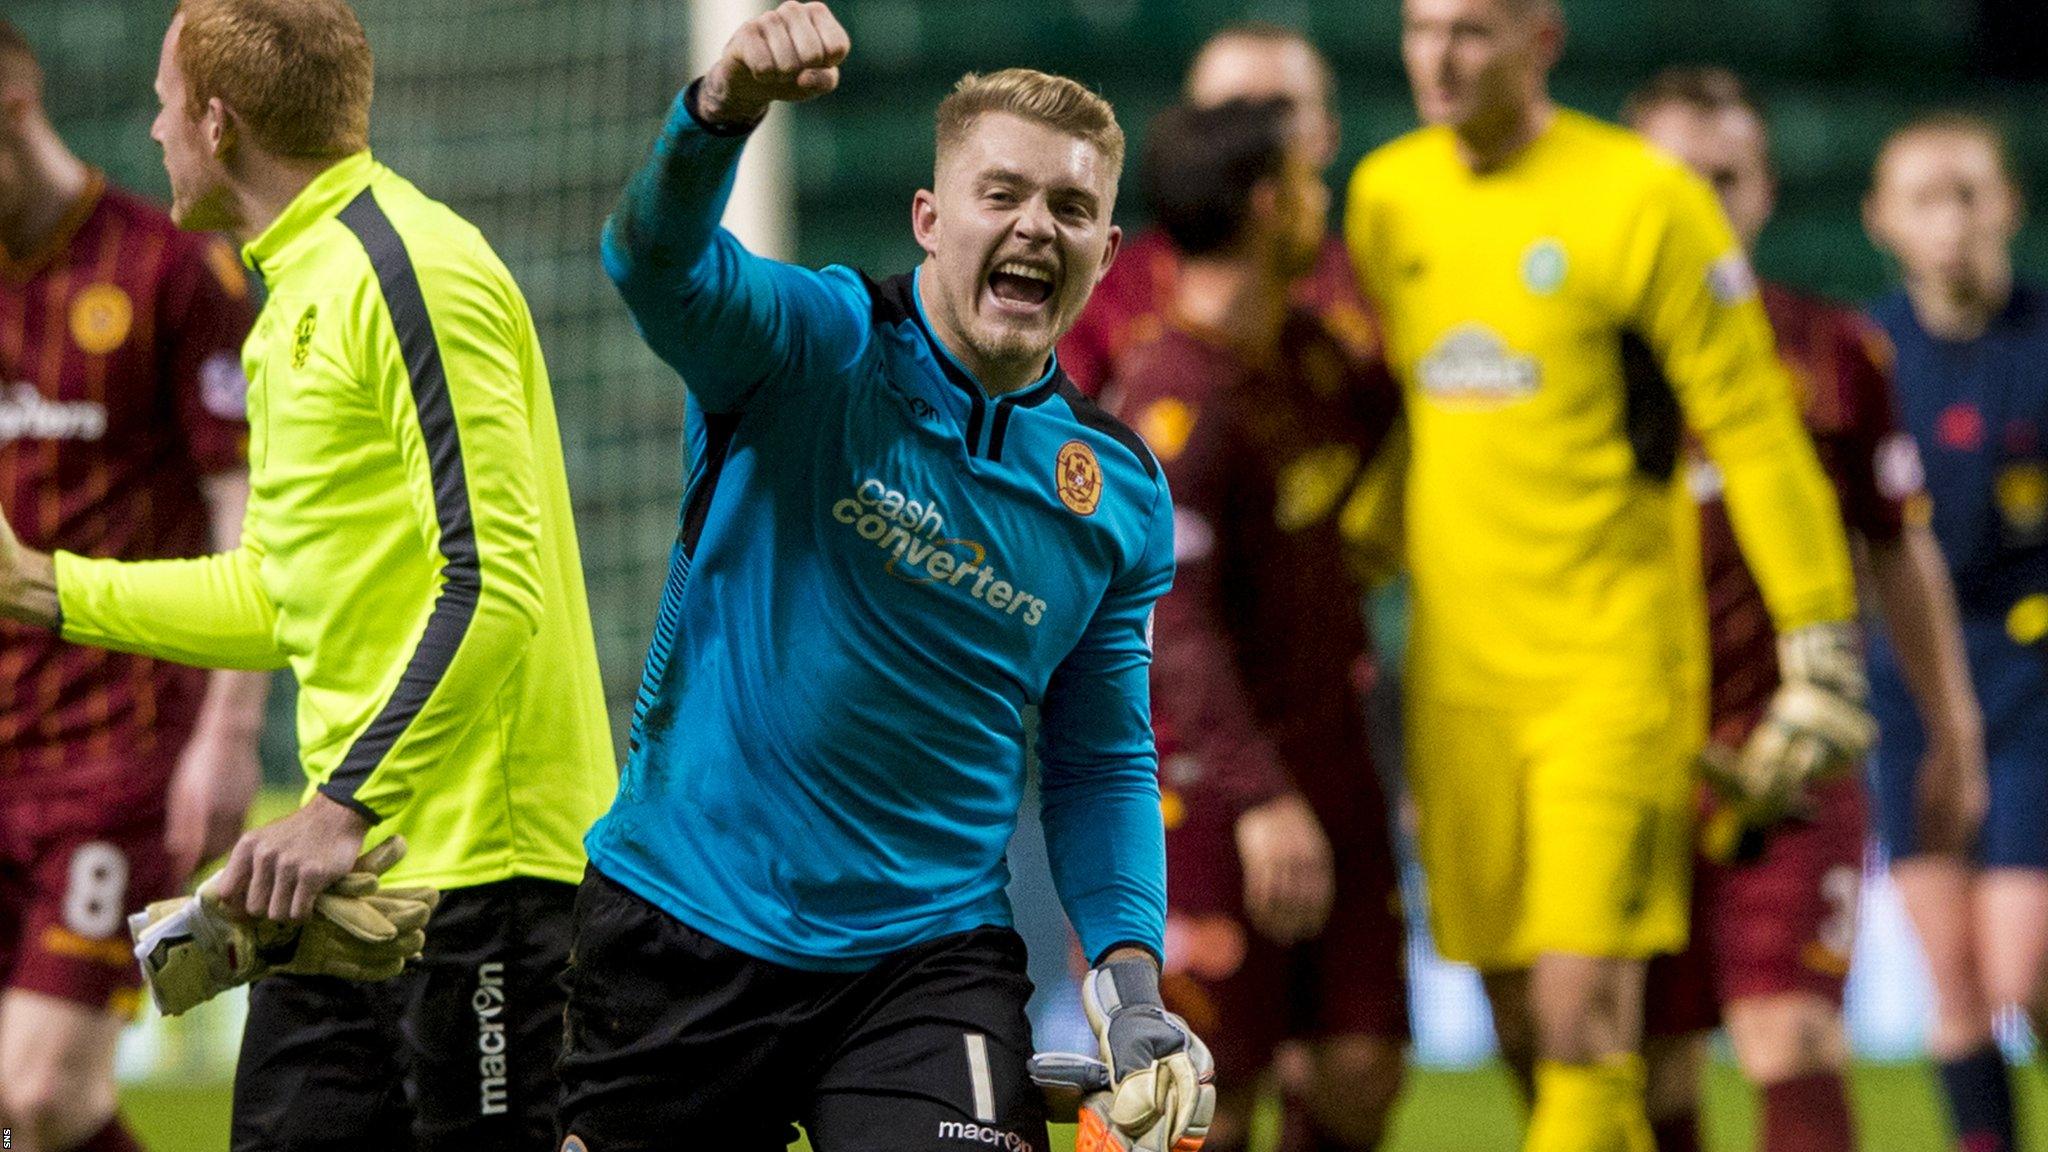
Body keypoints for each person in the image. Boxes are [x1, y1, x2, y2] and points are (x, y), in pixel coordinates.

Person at [563, 4, 1210, 1151]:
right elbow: (649, 262)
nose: (1032, 227)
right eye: (998, 193)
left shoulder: (1115, 494)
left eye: (1069, 207)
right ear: (927, 217)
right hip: (684, 921)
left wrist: (1129, 984)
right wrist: (721, 115)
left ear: (1105, 256)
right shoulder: (812, 343)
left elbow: (1100, 754)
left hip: (925, 964)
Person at [0, 1, 616, 1147]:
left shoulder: (411, 269)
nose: (152, 132)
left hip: (479, 879)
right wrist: (40, 584)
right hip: (335, 891)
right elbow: (279, 595)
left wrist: (337, 807)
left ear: (218, 122)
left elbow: (493, 584)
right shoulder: (294, 297)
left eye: (163, 105)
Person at [1345, 1, 1873, 1148]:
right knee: (1521, 1027)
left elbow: (1750, 425)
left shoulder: (1641, 198)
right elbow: (1412, 425)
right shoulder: (1386, 196)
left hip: (1611, 672)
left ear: (1541, 40)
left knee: (1584, 1017)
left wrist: (1818, 638)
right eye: (1419, 27)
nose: (1436, 56)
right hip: (1456, 683)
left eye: (1470, 31)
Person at [1624, 68, 1988, 1152]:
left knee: (1789, 1033)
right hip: (1622, 752)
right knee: (1648, 1063)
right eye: (1671, 178)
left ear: (1765, 192)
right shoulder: (1582, 359)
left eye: (1723, 176)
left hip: (1793, 746)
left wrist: (1951, 727)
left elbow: (1896, 545)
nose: (1700, 200)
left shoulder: (1833, 349)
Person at [1107, 97, 1408, 1152]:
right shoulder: (1167, 398)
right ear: (1271, 204)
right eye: (1310, 187)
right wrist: (1257, 795)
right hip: (1212, 790)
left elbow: (1406, 430)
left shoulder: (1313, 358)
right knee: (1197, 1104)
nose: (1323, 210)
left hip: (1336, 761)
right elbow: (1166, 621)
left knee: (1361, 1066)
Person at [0, 19, 266, 1152]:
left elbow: (245, 507)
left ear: (11, 99)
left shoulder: (166, 267)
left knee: (42, 1093)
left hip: (119, 749)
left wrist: (228, 731)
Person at [1864, 112, 2048, 1152]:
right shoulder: (1863, 354)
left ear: (2007, 205)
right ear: (1879, 220)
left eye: (1968, 194)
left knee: (2018, 964)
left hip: (2029, 675)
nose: (1949, 221)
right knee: (1956, 981)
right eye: (1923, 198)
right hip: (1910, 680)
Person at [1059, 22, 1377, 401]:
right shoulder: (1104, 292)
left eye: (1278, 118)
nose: (1252, 143)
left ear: (1329, 135)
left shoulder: (1372, 285)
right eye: (1225, 118)